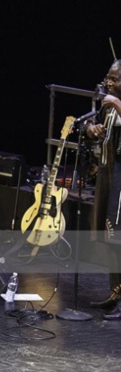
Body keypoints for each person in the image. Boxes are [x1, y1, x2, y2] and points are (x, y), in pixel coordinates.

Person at [86, 59, 121, 319]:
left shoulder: (115, 103)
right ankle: (115, 292)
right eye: (108, 77)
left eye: (115, 78)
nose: (109, 82)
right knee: (110, 238)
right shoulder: (107, 104)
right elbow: (91, 125)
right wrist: (91, 129)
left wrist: (118, 105)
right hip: (109, 173)